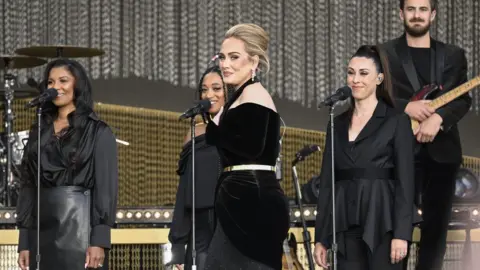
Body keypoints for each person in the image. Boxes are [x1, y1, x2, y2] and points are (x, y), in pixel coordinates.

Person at [380, 0, 472, 268]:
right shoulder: (385, 54)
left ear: (432, 14)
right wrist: (406, 106)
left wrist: (439, 119)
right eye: (411, 9)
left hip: (442, 154)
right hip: (397, 153)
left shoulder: (453, 54)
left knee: (436, 236)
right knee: (396, 230)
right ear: (401, 13)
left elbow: (462, 99)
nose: (417, 15)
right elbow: (373, 97)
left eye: (423, 10)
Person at [314, 45, 416, 270]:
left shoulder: (396, 120)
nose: (355, 79)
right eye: (350, 72)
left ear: (379, 78)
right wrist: (321, 237)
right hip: (344, 224)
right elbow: (328, 182)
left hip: (383, 223)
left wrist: (401, 233)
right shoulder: (336, 123)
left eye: (363, 73)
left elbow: (405, 181)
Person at [16, 59, 118, 270]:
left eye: (63, 80)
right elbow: (28, 185)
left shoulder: (97, 131)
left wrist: (99, 239)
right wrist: (24, 240)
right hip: (41, 231)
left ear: (77, 84)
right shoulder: (39, 131)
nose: (56, 87)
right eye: (51, 82)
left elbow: (105, 187)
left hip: (81, 229)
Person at [203, 23, 290, 269]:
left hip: (252, 205)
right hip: (241, 202)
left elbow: (250, 147)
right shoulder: (243, 95)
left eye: (234, 57)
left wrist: (216, 129)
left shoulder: (254, 96)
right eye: (222, 57)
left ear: (254, 62)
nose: (225, 64)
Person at [168, 65, 227, 270]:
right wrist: (177, 245)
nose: (209, 94)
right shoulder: (195, 131)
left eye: (217, 88)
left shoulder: (240, 127)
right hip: (201, 236)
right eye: (204, 89)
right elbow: (184, 190)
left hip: (233, 227)